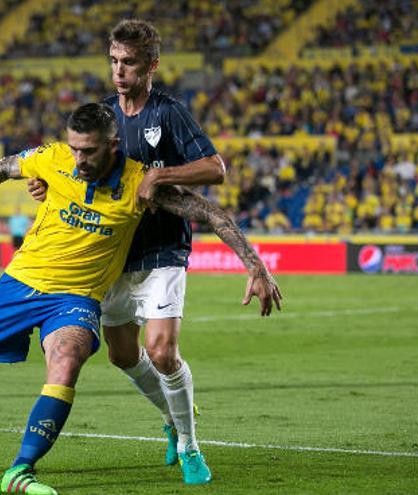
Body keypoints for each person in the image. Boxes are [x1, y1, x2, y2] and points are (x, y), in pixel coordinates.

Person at [0, 103, 281, 495]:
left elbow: (208, 212)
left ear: (113, 145)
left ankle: (21, 470)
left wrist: (255, 264)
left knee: (67, 361)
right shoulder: (53, 159)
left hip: (77, 297)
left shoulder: (138, 182)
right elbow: (3, 167)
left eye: (88, 151)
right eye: (74, 149)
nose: (79, 159)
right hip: (19, 282)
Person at [26, 19, 250, 484]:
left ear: (152, 66)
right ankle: (170, 418)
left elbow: (216, 168)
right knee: (123, 356)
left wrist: (159, 175)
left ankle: (190, 445)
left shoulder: (169, 114)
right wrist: (46, 182)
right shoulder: (103, 115)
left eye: (129, 63)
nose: (119, 71)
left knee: (162, 351)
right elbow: (76, 163)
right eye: (113, 61)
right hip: (112, 254)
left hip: (164, 249)